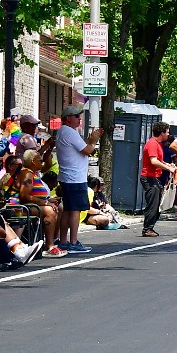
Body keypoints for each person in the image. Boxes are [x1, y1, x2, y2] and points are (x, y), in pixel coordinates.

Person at [54, 104, 101, 253]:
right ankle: (73, 241)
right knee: (75, 210)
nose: (79, 119)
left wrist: (90, 141)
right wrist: (93, 141)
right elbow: (87, 150)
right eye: (76, 116)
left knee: (68, 209)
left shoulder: (63, 132)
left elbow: (82, 148)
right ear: (68, 118)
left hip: (69, 177)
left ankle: (64, 241)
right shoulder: (69, 132)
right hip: (74, 178)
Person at [139, 122, 174, 237]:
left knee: (157, 204)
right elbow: (153, 161)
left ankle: (150, 227)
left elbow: (158, 160)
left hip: (155, 177)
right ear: (162, 133)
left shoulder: (158, 144)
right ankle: (147, 229)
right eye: (167, 132)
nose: (168, 135)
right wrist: (168, 169)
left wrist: (168, 165)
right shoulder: (153, 144)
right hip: (149, 177)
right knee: (153, 204)